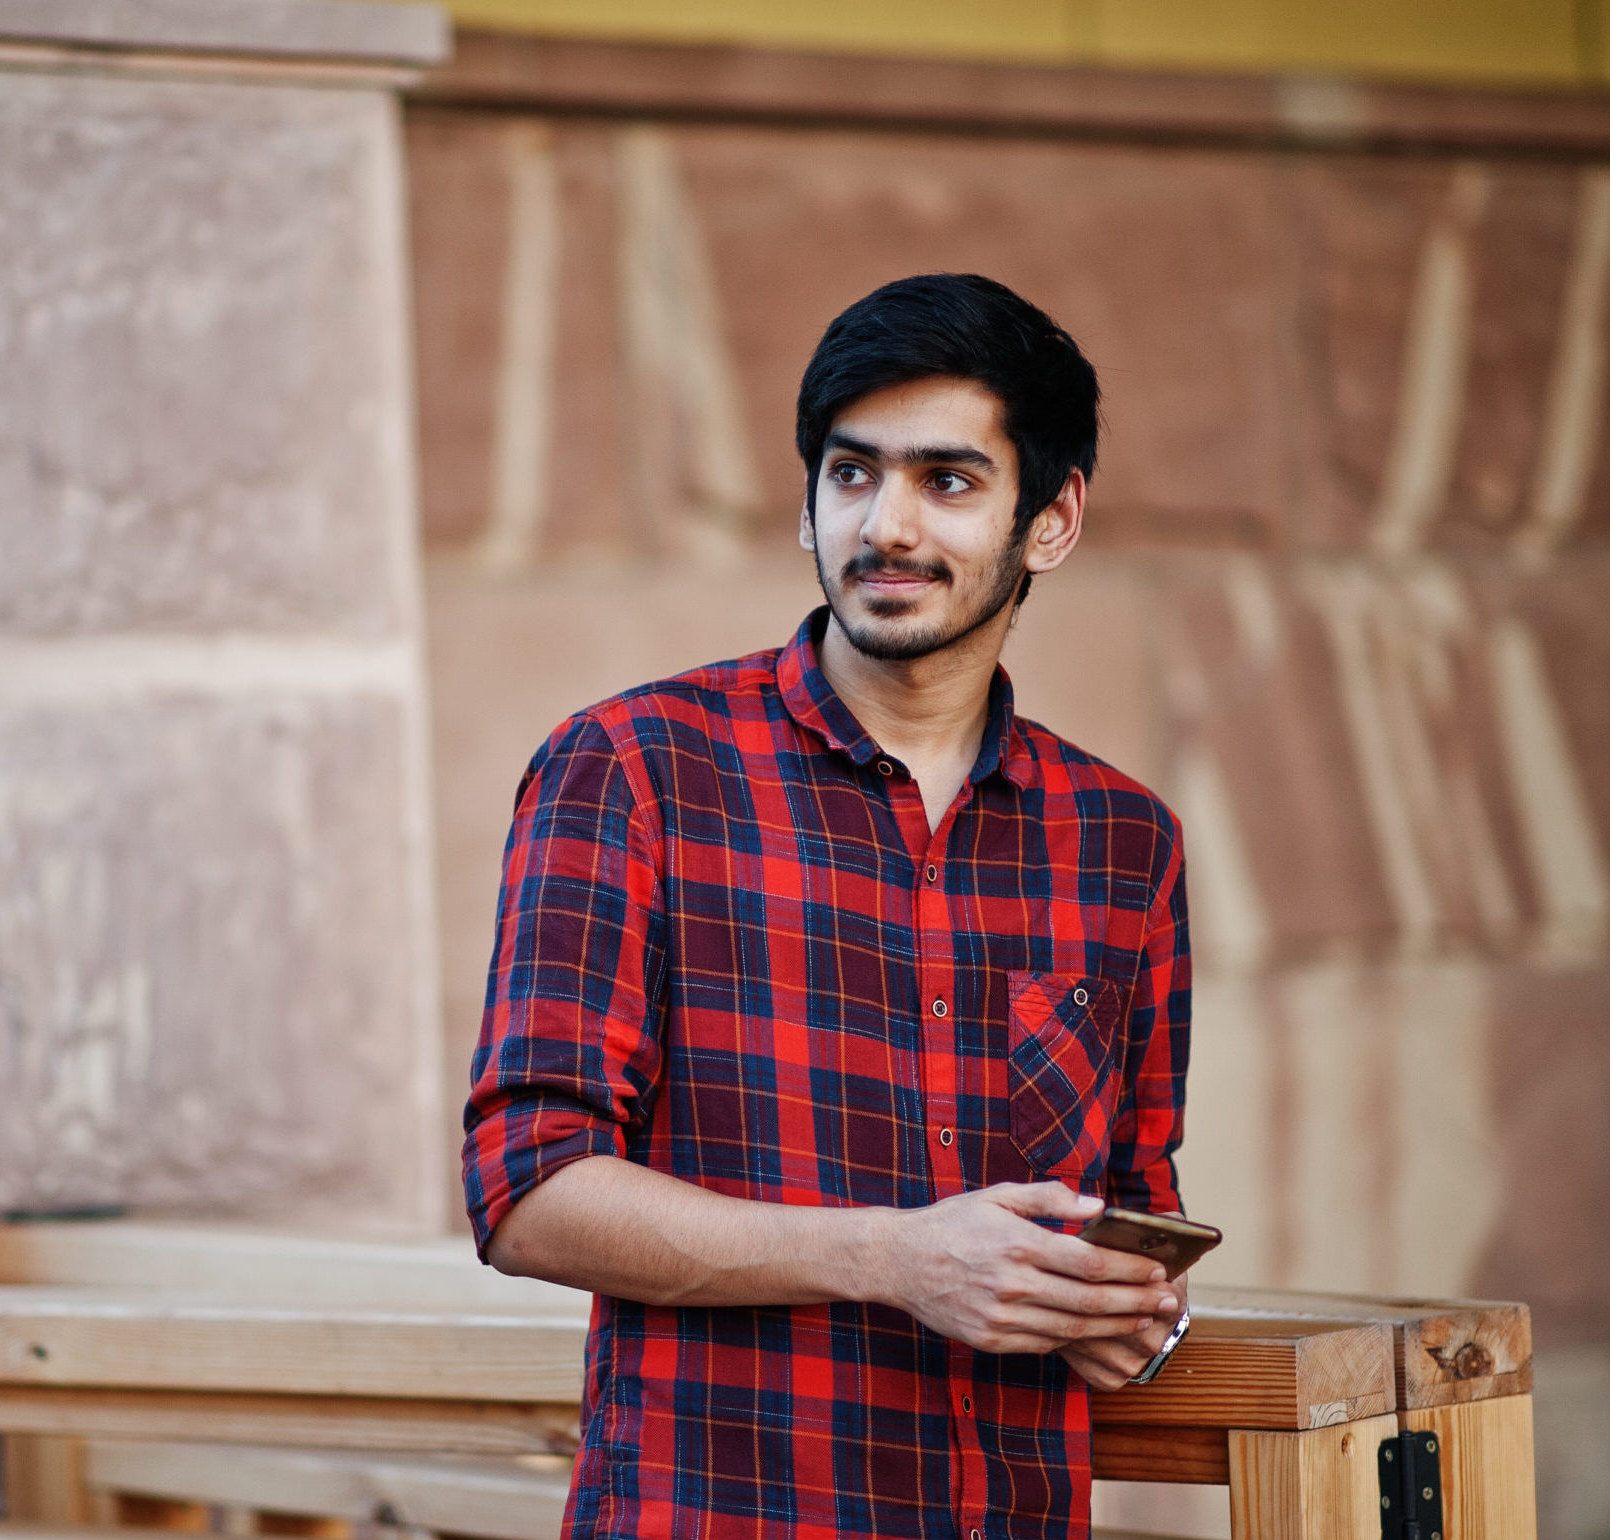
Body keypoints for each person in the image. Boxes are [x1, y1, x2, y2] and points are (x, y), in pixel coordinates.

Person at [461, 273, 1192, 1540]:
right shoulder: (637, 770)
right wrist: (900, 1257)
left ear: (1052, 518)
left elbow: (1135, 1205)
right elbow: (526, 1189)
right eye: (852, 474)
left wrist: (1128, 1312)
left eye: (948, 481)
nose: (887, 526)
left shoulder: (1122, 842)